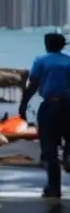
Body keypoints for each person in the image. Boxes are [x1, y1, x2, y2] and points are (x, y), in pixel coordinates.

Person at [19, 30, 70, 198]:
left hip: (50, 105)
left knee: (49, 146)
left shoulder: (41, 61)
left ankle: (53, 187)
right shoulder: (68, 61)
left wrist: (23, 104)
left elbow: (33, 84)